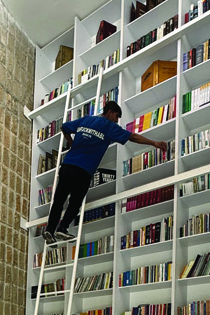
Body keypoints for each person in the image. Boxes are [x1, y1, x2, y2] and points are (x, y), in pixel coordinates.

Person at [43, 100, 168, 244]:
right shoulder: (110, 127)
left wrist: (72, 145)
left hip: (68, 165)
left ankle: (50, 229)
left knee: (59, 199)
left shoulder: (86, 119)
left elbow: (64, 128)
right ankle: (62, 228)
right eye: (116, 116)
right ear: (109, 113)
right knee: (75, 202)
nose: (117, 120)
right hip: (84, 169)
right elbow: (132, 137)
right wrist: (154, 143)